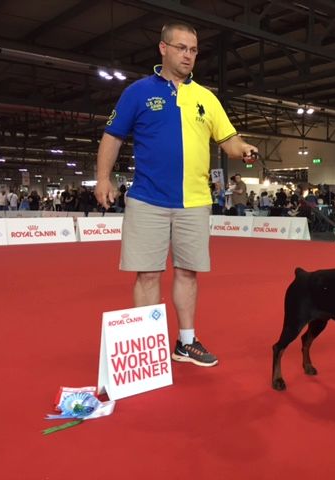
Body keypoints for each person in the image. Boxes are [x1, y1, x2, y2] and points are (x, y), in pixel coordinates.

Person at [94, 22, 258, 367]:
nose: (188, 55)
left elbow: (228, 139)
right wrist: (103, 179)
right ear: (163, 48)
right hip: (147, 199)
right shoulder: (138, 92)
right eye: (181, 48)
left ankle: (186, 342)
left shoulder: (206, 98)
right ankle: (145, 348)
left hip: (195, 201)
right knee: (147, 274)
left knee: (187, 272)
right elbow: (113, 136)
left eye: (194, 50)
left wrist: (243, 148)